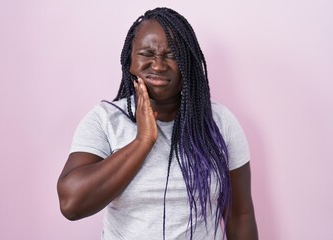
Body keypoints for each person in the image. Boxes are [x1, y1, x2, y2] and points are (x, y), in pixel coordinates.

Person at [57, 7, 258, 240]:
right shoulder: (105, 120)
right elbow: (71, 203)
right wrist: (143, 141)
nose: (159, 66)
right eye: (147, 53)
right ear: (130, 61)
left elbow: (240, 215)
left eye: (172, 55)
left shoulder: (219, 123)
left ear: (188, 65)